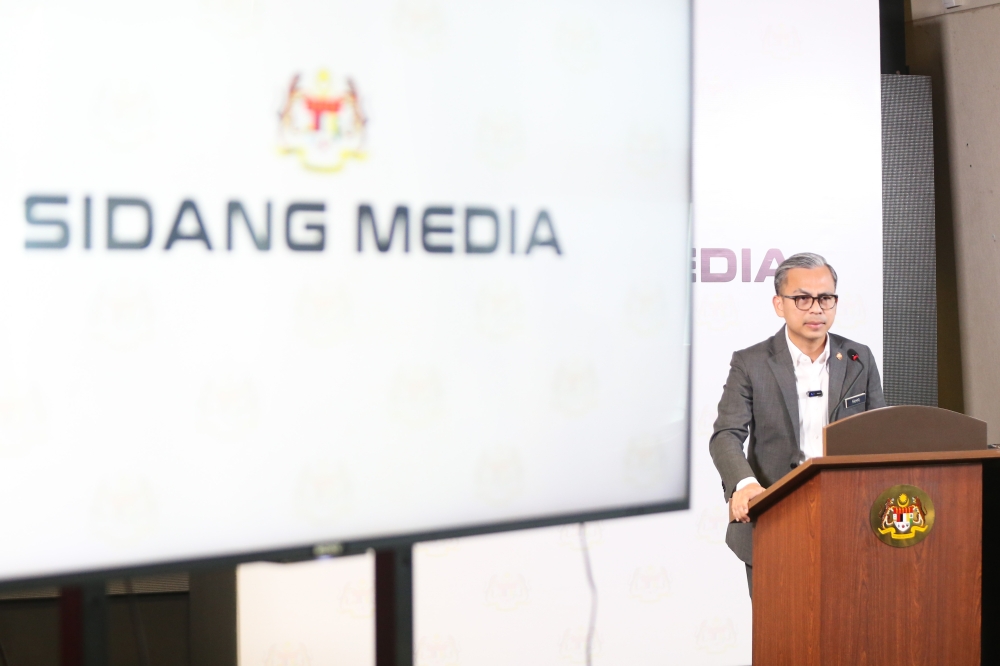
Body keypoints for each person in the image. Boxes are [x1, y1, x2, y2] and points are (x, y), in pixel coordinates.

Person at [709, 252, 885, 596]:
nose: (816, 308)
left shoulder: (857, 357)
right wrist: (744, 484)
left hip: (849, 520)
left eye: (825, 298)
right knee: (781, 639)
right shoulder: (751, 362)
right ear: (779, 304)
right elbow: (726, 435)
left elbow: (878, 433)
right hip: (775, 518)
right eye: (802, 298)